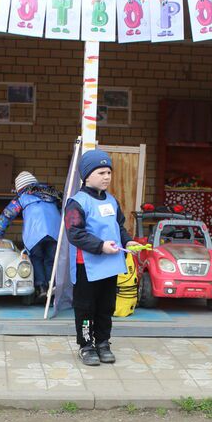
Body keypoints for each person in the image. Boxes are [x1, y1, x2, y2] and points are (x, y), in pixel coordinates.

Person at [65, 149, 135, 366]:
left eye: (109, 172)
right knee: (86, 308)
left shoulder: (112, 201)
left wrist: (128, 241)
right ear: (86, 175)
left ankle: (103, 343)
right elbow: (74, 233)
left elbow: (119, 227)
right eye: (101, 172)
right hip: (87, 266)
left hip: (111, 265)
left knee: (106, 307)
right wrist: (100, 246)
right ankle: (86, 346)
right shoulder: (76, 202)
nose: (107, 177)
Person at [0, 171, 62, 300]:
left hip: (34, 234)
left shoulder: (22, 197)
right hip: (54, 232)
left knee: (36, 259)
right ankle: (54, 288)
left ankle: (41, 288)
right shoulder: (52, 194)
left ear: (20, 188)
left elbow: (7, 214)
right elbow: (63, 210)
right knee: (51, 260)